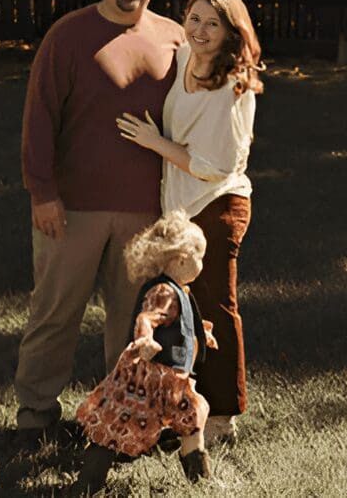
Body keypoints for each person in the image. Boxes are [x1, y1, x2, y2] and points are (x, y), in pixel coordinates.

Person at [16, 0, 186, 444]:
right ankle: (36, 413)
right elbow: (39, 117)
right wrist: (41, 191)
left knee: (135, 324)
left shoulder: (177, 39)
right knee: (55, 311)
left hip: (148, 212)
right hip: (72, 207)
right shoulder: (68, 36)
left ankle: (127, 418)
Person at [117, 0, 264, 444]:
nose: (199, 30)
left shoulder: (231, 87)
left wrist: (155, 142)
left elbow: (213, 165)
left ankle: (222, 417)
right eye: (194, 18)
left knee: (216, 307)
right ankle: (177, 408)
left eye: (212, 23)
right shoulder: (184, 57)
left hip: (217, 204)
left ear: (231, 32)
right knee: (180, 311)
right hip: (181, 207)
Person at [70, 212, 216, 495]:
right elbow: (147, 318)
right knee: (119, 424)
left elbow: (177, 323)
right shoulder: (164, 290)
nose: (202, 264)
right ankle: (88, 482)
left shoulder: (178, 290)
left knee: (193, 414)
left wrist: (200, 335)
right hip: (152, 377)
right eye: (201, 257)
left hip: (170, 378)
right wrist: (145, 341)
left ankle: (200, 481)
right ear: (182, 258)